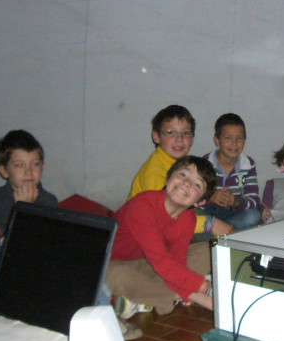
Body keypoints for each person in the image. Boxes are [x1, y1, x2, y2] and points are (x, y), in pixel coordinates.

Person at [106, 156, 216, 316]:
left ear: (199, 202)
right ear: (168, 177)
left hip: (152, 265)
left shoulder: (188, 218)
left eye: (197, 185)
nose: (187, 183)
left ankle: (143, 299)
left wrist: (191, 282)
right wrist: (201, 291)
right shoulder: (142, 205)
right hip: (117, 263)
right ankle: (174, 296)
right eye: (183, 175)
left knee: (208, 250)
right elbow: (161, 260)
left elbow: (177, 260)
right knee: (114, 276)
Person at [126, 105, 232, 237]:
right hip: (141, 236)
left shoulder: (180, 164)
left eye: (186, 133)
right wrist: (211, 224)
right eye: (171, 132)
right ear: (156, 136)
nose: (179, 139)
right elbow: (166, 218)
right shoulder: (154, 173)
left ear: (192, 138)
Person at [0, 130, 57, 241]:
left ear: (42, 167)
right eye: (19, 165)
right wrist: (23, 209)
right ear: (4, 171)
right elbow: (9, 245)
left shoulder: (49, 201)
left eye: (35, 164)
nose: (29, 171)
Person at [198, 113, 261, 230]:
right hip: (210, 214)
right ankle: (224, 232)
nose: (234, 143)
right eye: (228, 138)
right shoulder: (205, 163)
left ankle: (224, 232)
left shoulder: (248, 164)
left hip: (234, 214)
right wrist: (211, 196)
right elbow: (194, 198)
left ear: (245, 140)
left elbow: (254, 200)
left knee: (253, 215)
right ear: (217, 140)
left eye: (240, 138)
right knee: (195, 218)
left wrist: (236, 202)